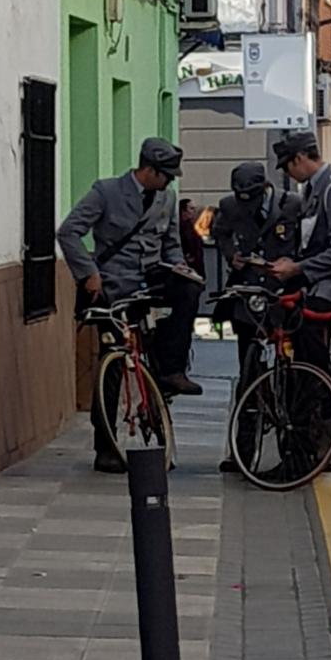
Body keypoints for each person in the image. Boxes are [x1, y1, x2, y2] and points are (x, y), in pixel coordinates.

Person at [57, 137, 203, 472]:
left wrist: (179, 266)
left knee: (189, 290)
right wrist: (88, 273)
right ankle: (106, 447)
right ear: (148, 169)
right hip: (111, 287)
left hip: (150, 281)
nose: (170, 180)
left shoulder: (167, 198)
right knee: (113, 363)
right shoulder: (106, 191)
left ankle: (171, 371)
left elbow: (171, 245)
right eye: (165, 174)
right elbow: (68, 232)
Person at [214, 162, 301, 472]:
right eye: (241, 196)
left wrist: (295, 263)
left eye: (251, 196)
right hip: (249, 299)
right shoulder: (228, 206)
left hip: (284, 298)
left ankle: (292, 451)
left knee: (291, 378)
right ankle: (243, 452)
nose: (245, 202)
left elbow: (306, 242)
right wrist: (230, 255)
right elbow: (219, 231)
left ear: (264, 188)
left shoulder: (292, 204)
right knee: (248, 376)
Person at [269, 131, 331, 374]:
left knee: (308, 337)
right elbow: (311, 242)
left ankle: (323, 400)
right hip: (315, 280)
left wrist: (298, 268)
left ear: (299, 158)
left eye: (287, 167)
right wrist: (292, 261)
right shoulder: (313, 188)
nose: (287, 174)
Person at [179, 198, 205, 278]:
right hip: (186, 266)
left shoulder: (192, 226)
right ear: (183, 210)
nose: (194, 212)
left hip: (196, 264)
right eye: (191, 208)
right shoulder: (179, 227)